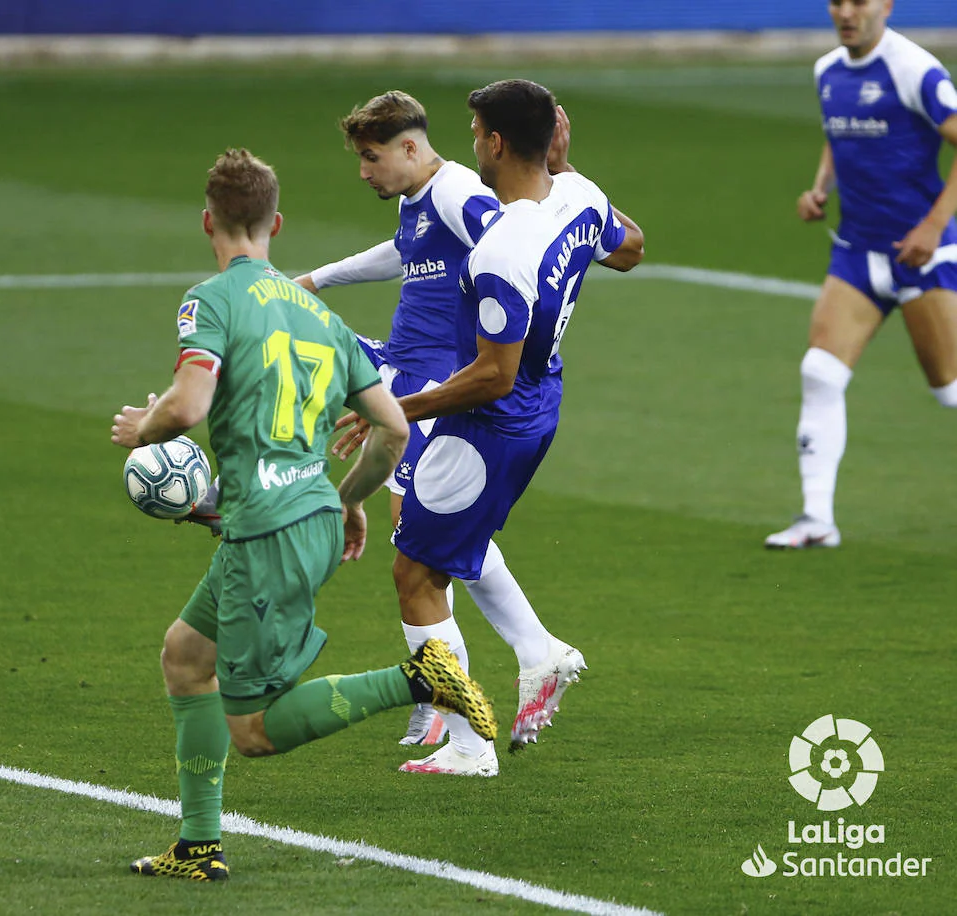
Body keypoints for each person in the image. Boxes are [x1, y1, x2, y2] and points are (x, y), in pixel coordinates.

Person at [110, 149, 496, 881]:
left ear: (208, 222)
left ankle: (421, 677)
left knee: (252, 729)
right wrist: (348, 501)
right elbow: (392, 430)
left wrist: (147, 429)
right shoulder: (320, 314)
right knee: (186, 657)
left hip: (268, 533)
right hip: (307, 514)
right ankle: (198, 844)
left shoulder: (212, 299)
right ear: (277, 225)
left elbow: (189, 405)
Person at [334, 79, 645, 763]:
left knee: (415, 576)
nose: (467, 144)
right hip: (540, 404)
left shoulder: (502, 251)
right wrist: (562, 171)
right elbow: (633, 248)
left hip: (491, 424)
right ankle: (538, 654)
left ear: (496, 143)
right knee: (435, 551)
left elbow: (491, 375)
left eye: (474, 133)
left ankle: (468, 741)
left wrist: (394, 412)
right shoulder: (580, 195)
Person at [294, 90, 584, 776]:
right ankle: (528, 654)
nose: (364, 171)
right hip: (406, 371)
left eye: (371, 158)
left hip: (441, 385)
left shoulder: (457, 192)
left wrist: (489, 355)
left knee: (417, 549)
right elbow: (403, 253)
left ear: (410, 149)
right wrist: (315, 279)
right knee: (433, 541)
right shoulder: (419, 201)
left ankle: (454, 720)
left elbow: (514, 241)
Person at [766, 0, 957, 549]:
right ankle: (816, 519)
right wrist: (821, 186)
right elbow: (838, 133)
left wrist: (932, 226)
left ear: (886, 6)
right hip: (856, 253)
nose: (847, 12)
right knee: (820, 373)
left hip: (921, 255)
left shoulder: (915, 70)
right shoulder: (827, 70)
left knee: (949, 391)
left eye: (860, 1)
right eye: (838, 2)